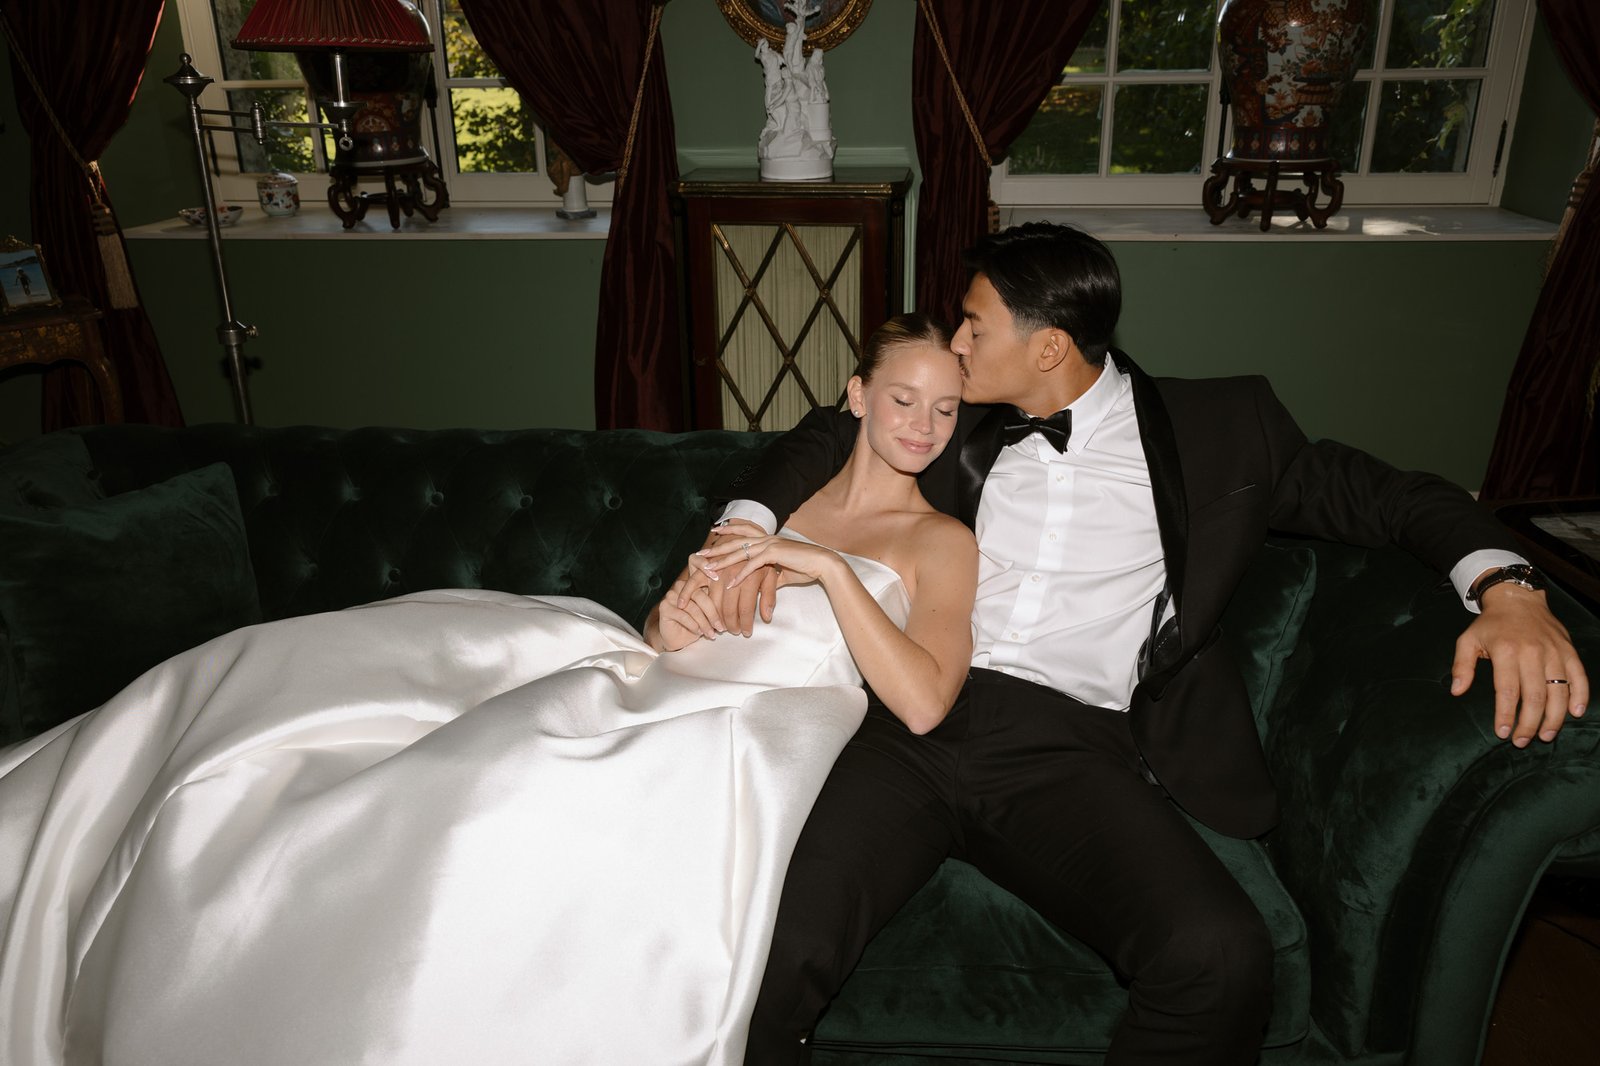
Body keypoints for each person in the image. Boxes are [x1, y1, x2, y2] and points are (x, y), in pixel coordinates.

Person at [685, 222, 1589, 1064]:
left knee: (1221, 957)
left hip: (1070, 746)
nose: (955, 345)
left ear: (1047, 348)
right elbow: (827, 430)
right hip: (906, 712)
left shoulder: (1223, 430)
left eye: (973, 324)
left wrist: (1507, 589)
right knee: (774, 948)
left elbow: (1388, 495)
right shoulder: (956, 416)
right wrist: (739, 532)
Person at [0, 316, 976, 1066]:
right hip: (648, 679)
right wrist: (671, 622)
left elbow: (925, 700)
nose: (922, 427)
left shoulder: (940, 541)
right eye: (903, 400)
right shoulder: (780, 503)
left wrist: (835, 575)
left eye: (943, 408)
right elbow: (672, 627)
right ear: (855, 394)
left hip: (738, 733)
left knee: (489, 800)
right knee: (314, 691)